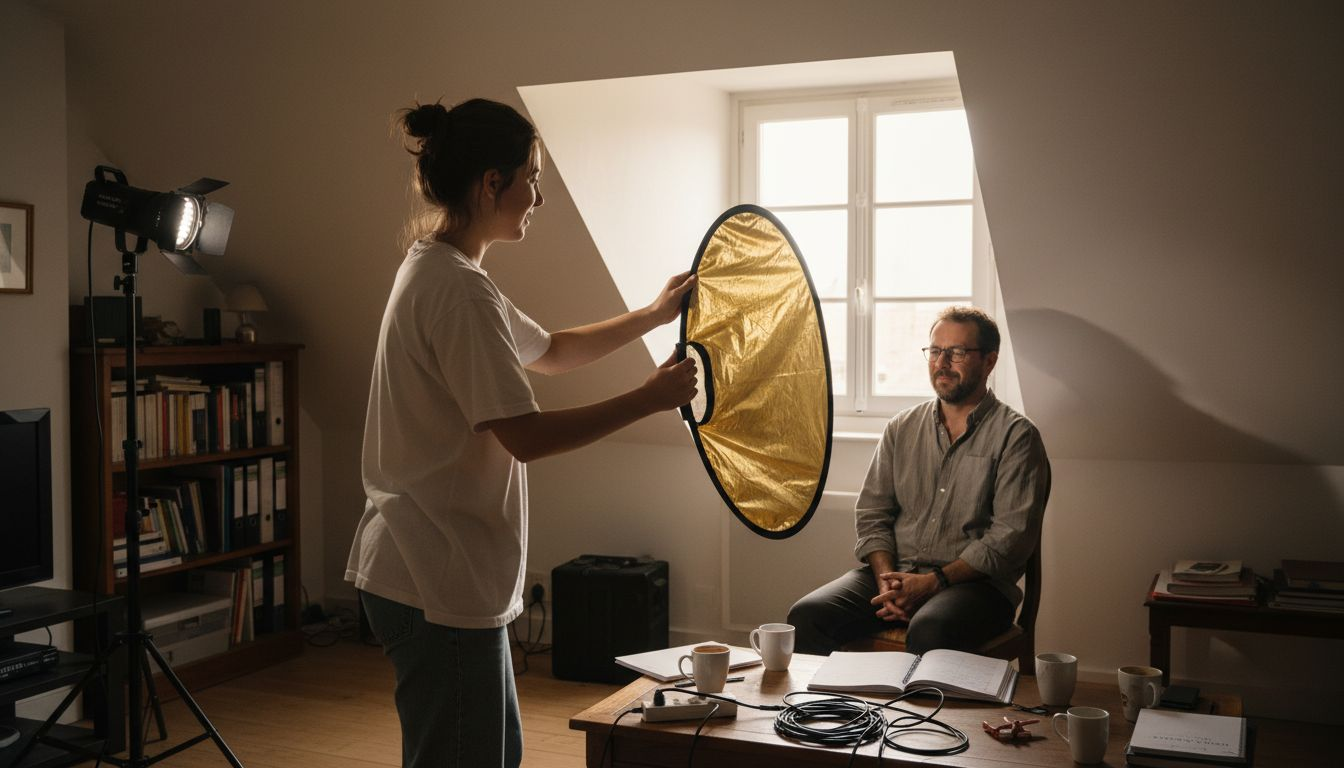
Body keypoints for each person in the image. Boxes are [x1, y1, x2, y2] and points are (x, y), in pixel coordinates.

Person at [344, 98, 697, 768]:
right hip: (432, 576)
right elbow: (526, 436)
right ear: (491, 184)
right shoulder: (459, 292)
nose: (538, 196)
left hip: (434, 572)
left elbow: (554, 350)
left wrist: (652, 314)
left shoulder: (446, 269)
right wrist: (648, 399)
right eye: (532, 178)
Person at [788, 306, 1049, 656]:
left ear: (989, 361)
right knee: (807, 616)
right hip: (895, 574)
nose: (942, 363)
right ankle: (841, 712)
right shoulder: (902, 427)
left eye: (957, 352)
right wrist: (886, 579)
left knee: (931, 630)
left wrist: (932, 583)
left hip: (977, 586)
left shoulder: (1016, 436)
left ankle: (917, 714)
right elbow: (872, 513)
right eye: (936, 351)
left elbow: (1009, 538)